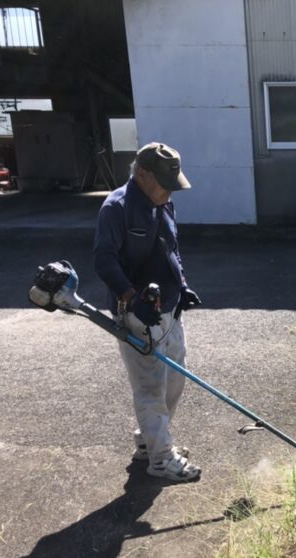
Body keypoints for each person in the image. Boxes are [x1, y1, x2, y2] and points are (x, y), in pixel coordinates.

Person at [93, 142, 203, 482]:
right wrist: (131, 296)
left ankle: (149, 440)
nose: (170, 192)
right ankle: (160, 459)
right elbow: (104, 260)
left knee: (174, 379)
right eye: (165, 184)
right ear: (142, 174)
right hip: (137, 313)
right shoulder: (117, 208)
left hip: (169, 309)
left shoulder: (163, 202)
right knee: (150, 386)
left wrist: (181, 286)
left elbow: (172, 249)